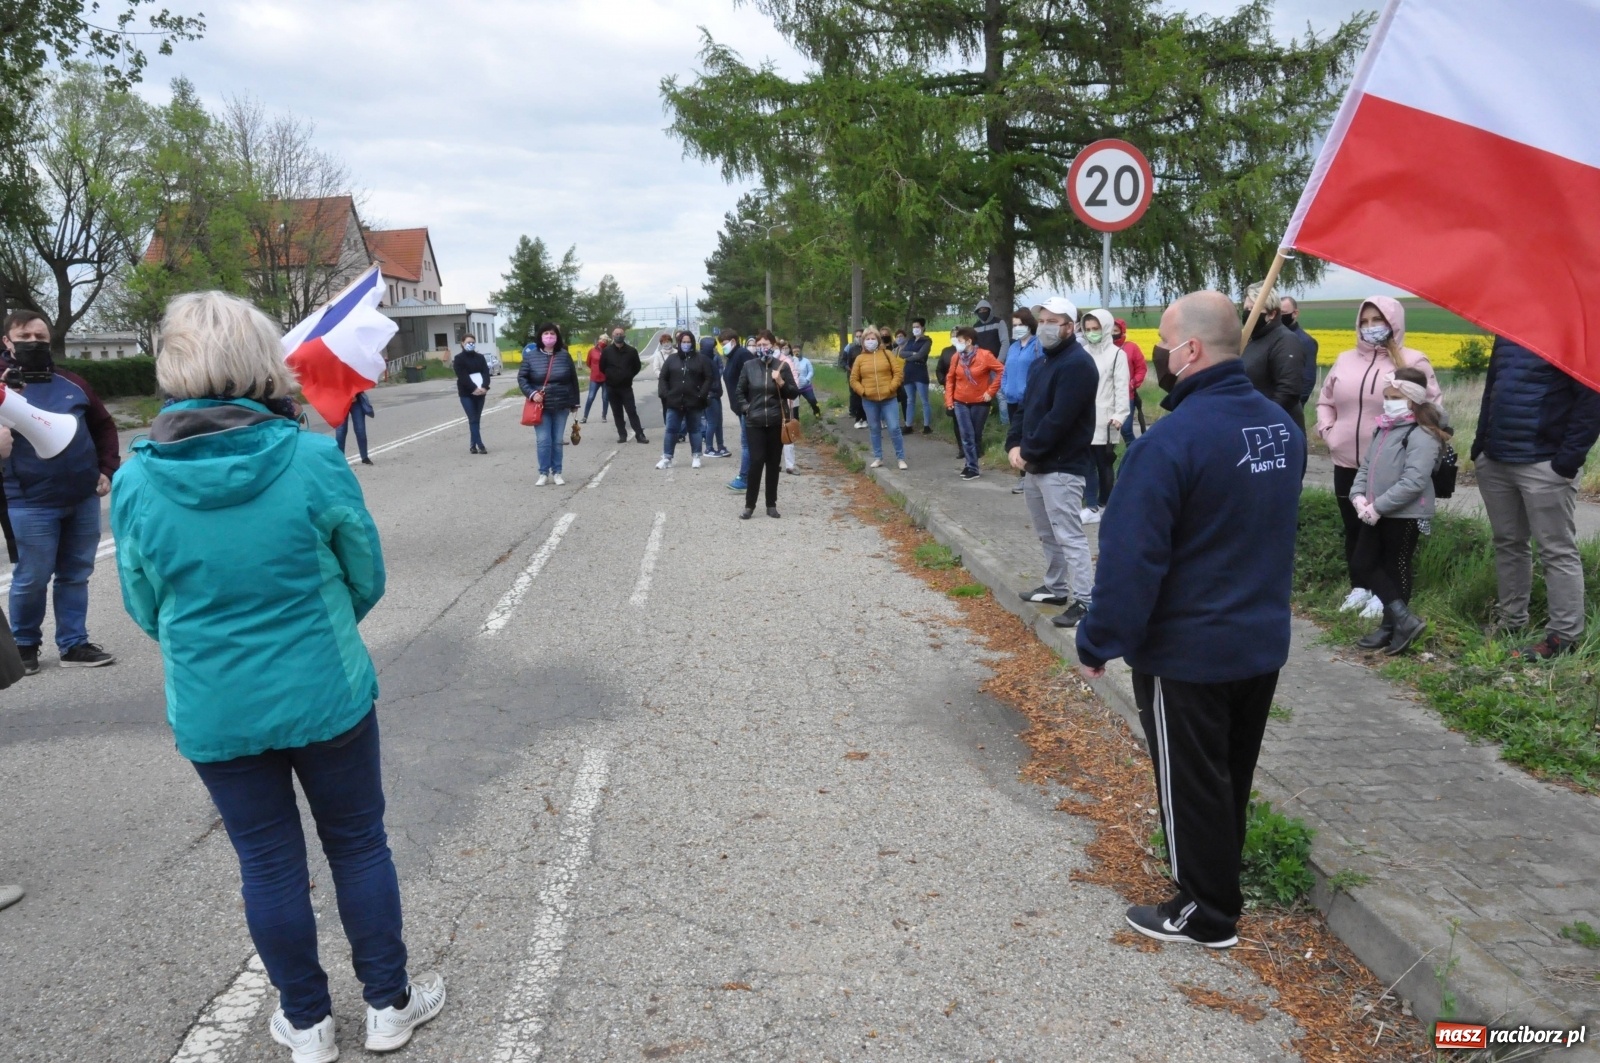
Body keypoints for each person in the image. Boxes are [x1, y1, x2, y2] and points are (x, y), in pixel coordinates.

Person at [111, 291, 446, 1061]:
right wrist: (317, 626)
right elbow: (366, 573)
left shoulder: (137, 482)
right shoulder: (309, 457)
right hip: (324, 689)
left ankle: (308, 1021)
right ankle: (389, 1003)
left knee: (266, 862)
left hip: (216, 706)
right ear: (260, 360)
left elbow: (144, 604)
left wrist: (207, 645)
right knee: (359, 844)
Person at [1076, 290, 1304, 950]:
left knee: (1192, 779)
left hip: (1189, 648)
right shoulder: (1283, 430)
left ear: (1192, 351)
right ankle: (1219, 880)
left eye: (1165, 343)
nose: (1159, 356)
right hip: (1260, 638)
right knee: (1228, 772)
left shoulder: (1167, 443)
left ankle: (1205, 908)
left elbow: (1131, 558)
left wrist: (1099, 639)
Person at [1, 310, 118, 675]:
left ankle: (74, 642)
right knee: (32, 577)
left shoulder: (72, 383)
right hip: (30, 501)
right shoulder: (3, 387)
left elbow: (103, 425)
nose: (33, 343)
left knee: (75, 573)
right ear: (7, 341)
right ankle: (24, 646)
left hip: (82, 496)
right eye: (24, 337)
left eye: (40, 337)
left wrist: (106, 468)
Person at [1471, 336, 1600, 659]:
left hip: (1545, 463)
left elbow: (1591, 401)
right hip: (1497, 459)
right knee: (1509, 543)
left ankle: (1564, 638)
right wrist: (1479, 446)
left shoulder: (1575, 334)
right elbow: (1492, 389)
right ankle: (1512, 621)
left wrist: (1567, 462)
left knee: (1556, 550)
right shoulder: (1505, 333)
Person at [1315, 298, 1442, 620]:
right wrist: (1329, 431)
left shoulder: (1414, 360)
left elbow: (1434, 409)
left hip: (1392, 466)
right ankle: (1360, 585)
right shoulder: (1344, 360)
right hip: (1347, 460)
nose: (1371, 327)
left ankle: (1386, 592)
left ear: (1394, 321)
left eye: (1378, 320)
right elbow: (1325, 401)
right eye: (1365, 321)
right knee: (1353, 526)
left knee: (1389, 532)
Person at [1006, 296, 1097, 628]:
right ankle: (1056, 588)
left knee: (1069, 535)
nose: (1045, 326)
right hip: (1035, 464)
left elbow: (1060, 419)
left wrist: (1028, 451)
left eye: (1053, 322)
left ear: (1070, 327)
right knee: (1046, 532)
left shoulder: (1078, 365)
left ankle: (1086, 600)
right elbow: (1025, 411)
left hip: (1063, 465)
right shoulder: (1040, 363)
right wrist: (1014, 444)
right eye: (1042, 320)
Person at [1348, 367, 1448, 656]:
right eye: (1386, 396)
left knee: (1396, 566)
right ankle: (1403, 620)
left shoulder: (1422, 434)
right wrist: (1358, 497)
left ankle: (1392, 626)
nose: (1387, 402)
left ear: (1412, 400)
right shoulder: (1384, 427)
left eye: (1394, 397)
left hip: (1403, 513)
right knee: (1363, 562)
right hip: (1374, 511)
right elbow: (1366, 466)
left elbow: (1415, 481)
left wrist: (1378, 506)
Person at [732, 331, 797, 519]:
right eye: (759, 345)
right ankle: (749, 505)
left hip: (776, 421)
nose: (762, 348)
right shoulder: (748, 366)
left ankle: (771, 504)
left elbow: (793, 393)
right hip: (755, 421)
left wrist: (780, 381)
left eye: (765, 345)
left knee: (773, 463)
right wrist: (747, 408)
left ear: (773, 345)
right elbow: (739, 392)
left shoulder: (782, 366)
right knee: (756, 461)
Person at [518, 322, 581, 486]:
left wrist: (575, 402)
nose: (549, 337)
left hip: (561, 404)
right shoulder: (531, 356)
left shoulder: (564, 355)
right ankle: (543, 473)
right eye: (546, 334)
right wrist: (532, 394)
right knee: (544, 440)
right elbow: (522, 378)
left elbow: (573, 380)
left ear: (557, 337)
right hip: (541, 406)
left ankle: (557, 472)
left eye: (552, 334)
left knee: (557, 440)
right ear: (540, 336)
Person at [1239, 282, 1305, 432]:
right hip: (1249, 424)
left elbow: (1288, 391)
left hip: (1276, 428)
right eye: (1246, 309)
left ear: (1272, 313)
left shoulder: (1286, 341)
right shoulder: (1249, 340)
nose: (1248, 313)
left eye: (1253, 309)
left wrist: (1262, 418)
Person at [945, 326, 1004, 480]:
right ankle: (972, 466)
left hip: (979, 402)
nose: (957, 344)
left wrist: (991, 391)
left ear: (969, 341)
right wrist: (949, 400)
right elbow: (950, 378)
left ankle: (971, 464)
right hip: (960, 401)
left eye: (960, 341)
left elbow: (1001, 371)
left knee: (975, 435)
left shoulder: (985, 356)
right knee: (966, 434)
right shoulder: (956, 357)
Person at [850, 324, 907, 470]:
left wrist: (891, 388)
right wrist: (863, 391)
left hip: (889, 399)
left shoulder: (887, 354)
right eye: (867, 339)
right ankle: (878, 457)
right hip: (869, 401)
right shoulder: (860, 359)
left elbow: (898, 373)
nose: (870, 341)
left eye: (873, 338)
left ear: (878, 340)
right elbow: (854, 379)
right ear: (863, 341)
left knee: (894, 428)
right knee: (874, 428)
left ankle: (900, 458)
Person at [657, 329, 713, 470]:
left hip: (694, 401)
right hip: (674, 401)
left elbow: (708, 377)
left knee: (694, 429)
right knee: (671, 429)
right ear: (679, 343)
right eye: (683, 342)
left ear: (693, 343)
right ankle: (667, 457)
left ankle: (696, 456)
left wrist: (702, 394)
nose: (686, 344)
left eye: (688, 342)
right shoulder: (672, 359)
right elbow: (663, 377)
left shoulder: (701, 359)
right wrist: (666, 393)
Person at [1002, 308, 1042, 494]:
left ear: (1029, 325)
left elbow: (1041, 370)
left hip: (1029, 401)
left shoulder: (1037, 345)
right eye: (1014, 325)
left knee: (1030, 438)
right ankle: (1023, 477)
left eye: (1020, 325)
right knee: (1017, 438)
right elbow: (1006, 371)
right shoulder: (1013, 347)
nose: (1017, 328)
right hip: (1012, 399)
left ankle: (1033, 476)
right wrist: (1005, 387)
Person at [599, 325, 647, 444]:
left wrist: (628, 375)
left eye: (621, 334)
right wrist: (611, 375)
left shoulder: (631, 351)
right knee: (617, 412)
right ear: (612, 336)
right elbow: (602, 367)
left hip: (626, 387)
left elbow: (637, 367)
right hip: (611, 387)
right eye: (616, 334)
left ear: (624, 336)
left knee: (632, 411)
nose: (619, 336)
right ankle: (622, 434)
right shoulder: (607, 351)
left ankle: (640, 435)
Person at [721, 329, 755, 491]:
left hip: (747, 408)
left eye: (725, 343)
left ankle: (745, 478)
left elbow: (753, 378)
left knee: (747, 444)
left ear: (734, 341)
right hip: (741, 408)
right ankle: (748, 477)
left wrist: (746, 404)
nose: (723, 346)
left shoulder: (742, 355)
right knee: (748, 444)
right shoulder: (732, 357)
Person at [454, 336, 493, 454]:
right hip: (467, 393)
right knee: (472, 418)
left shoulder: (480, 358)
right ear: (462, 343)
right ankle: (480, 444)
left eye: (473, 342)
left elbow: (486, 372)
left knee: (477, 418)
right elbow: (462, 376)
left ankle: (472, 445)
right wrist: (473, 388)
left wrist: (485, 387)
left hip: (481, 392)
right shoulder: (459, 359)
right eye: (468, 342)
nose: (471, 344)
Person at [1280, 296, 1319, 408]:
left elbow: (1308, 380)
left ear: (1295, 313)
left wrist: (1296, 406)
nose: (1280, 317)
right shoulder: (1272, 337)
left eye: (1284, 313)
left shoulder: (1305, 342)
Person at [1115, 318, 1147, 444]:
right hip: (1108, 395)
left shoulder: (1131, 347)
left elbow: (1141, 369)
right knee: (1110, 431)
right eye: (1110, 330)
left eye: (1115, 330)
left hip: (1127, 395)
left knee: (1126, 429)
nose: (1112, 333)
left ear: (1122, 331)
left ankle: (1135, 453)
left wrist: (1133, 383)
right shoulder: (1104, 348)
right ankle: (1107, 459)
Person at [698, 336, 730, 458]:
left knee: (718, 422)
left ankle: (721, 446)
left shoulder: (712, 358)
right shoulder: (703, 361)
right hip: (710, 395)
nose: (715, 349)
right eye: (712, 347)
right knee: (712, 422)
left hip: (716, 394)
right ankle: (709, 448)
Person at [901, 319, 933, 434]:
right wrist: (912, 354)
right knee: (910, 400)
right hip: (909, 371)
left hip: (920, 371)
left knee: (924, 400)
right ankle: (908, 425)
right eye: (914, 327)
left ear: (923, 327)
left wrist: (909, 356)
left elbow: (921, 355)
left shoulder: (927, 341)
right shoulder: (910, 340)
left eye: (917, 326)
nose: (915, 329)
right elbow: (901, 353)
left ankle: (927, 425)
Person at [335, 391, 375, 464]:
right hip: (340, 400)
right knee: (341, 431)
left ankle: (364, 457)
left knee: (360, 430)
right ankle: (339, 459)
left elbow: (360, 381)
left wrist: (355, 392)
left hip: (356, 400)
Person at [841, 329, 867, 428]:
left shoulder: (867, 348)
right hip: (852, 374)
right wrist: (849, 369)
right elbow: (843, 361)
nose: (859, 338)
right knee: (854, 394)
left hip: (864, 376)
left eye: (861, 336)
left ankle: (864, 415)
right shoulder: (850, 347)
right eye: (857, 336)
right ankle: (854, 412)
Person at [582, 333, 610, 423]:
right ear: (598, 340)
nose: (603, 341)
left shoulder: (608, 350)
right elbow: (588, 362)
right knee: (590, 397)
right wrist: (594, 369)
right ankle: (585, 416)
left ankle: (604, 415)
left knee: (605, 398)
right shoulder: (592, 351)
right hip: (594, 378)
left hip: (605, 378)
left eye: (605, 340)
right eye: (602, 339)